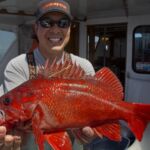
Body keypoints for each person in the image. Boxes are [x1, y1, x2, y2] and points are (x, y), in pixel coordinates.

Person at [1, 0, 96, 149]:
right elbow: (13, 115)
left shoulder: (84, 67)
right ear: (36, 27)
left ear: (70, 28)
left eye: (63, 23)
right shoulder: (18, 66)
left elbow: (94, 117)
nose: (55, 29)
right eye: (47, 22)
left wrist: (93, 129)